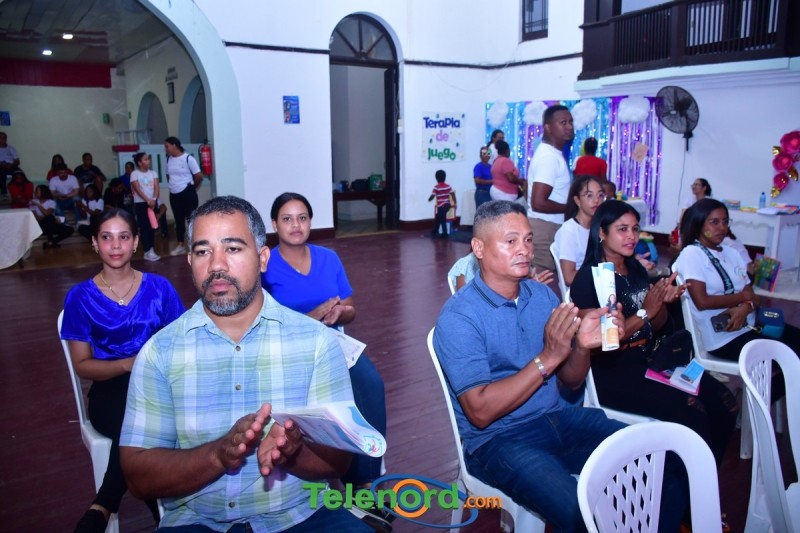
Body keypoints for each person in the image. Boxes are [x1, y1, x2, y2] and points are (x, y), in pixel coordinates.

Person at [120, 196, 371, 532]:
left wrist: (292, 454)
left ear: (263, 258)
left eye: (233, 248)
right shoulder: (160, 352)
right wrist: (216, 455)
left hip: (301, 514)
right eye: (202, 251)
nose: (217, 265)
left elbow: (338, 461)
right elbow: (138, 476)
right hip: (198, 520)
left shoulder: (316, 343)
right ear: (190, 260)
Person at [433, 200, 687, 532]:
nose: (524, 250)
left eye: (528, 239)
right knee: (579, 514)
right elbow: (480, 412)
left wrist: (581, 346)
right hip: (498, 441)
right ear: (479, 248)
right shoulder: (459, 317)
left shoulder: (541, 297)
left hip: (557, 419)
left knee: (663, 464)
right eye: (510, 241)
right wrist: (547, 358)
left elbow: (570, 381)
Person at [571, 200, 738, 466]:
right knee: (696, 417)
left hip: (654, 359)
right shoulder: (592, 279)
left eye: (635, 229)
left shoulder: (635, 269)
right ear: (601, 232)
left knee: (725, 403)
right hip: (616, 372)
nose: (632, 236)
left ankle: (702, 481)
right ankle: (682, 486)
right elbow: (605, 342)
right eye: (622, 229)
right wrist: (645, 312)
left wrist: (661, 304)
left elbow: (656, 326)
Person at [262, 192, 391, 530]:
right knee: (325, 405)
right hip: (288, 351)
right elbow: (266, 323)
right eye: (287, 219)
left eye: (302, 218)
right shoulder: (265, 265)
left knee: (370, 386)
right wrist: (313, 315)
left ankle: (366, 482)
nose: (296, 225)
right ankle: (337, 475)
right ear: (274, 224)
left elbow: (350, 308)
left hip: (332, 344)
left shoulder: (328, 258)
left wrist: (338, 312)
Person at [61, 208, 184, 533]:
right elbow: (83, 365)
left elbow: (181, 344)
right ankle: (162, 516)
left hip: (157, 387)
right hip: (109, 391)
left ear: (136, 242)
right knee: (137, 425)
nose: (115, 245)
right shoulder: (80, 297)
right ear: (94, 243)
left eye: (124, 237)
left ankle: (102, 506)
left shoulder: (159, 288)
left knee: (146, 421)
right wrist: (129, 363)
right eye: (107, 237)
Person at [674, 198, 800, 362]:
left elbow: (753, 296)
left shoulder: (732, 253)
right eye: (714, 222)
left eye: (725, 222)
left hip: (750, 324)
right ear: (699, 224)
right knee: (789, 356)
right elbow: (702, 301)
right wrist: (743, 298)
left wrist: (745, 307)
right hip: (723, 339)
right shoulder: (692, 253)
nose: (722, 228)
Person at [527, 105, 575, 272]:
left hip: (549, 226)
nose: (569, 127)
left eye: (571, 122)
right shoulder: (548, 157)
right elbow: (538, 203)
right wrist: (571, 208)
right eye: (563, 122)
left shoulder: (553, 154)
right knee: (541, 281)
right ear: (548, 128)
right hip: (545, 229)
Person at [553, 175, 605, 287]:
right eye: (589, 195)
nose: (596, 200)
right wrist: (603, 272)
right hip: (580, 288)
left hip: (597, 283)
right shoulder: (569, 230)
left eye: (600, 195)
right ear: (577, 200)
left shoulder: (598, 227)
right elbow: (569, 277)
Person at [164, 136, 202, 256]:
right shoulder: (168, 159)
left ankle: (193, 245)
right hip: (174, 194)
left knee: (191, 219)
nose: (166, 149)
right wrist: (174, 184)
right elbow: (168, 175)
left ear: (174, 145)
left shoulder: (188, 159)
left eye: (167, 146)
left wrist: (191, 188)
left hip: (187, 192)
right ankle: (180, 245)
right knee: (178, 219)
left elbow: (198, 176)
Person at [448, 251, 555, 292]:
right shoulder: (467, 265)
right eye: (510, 241)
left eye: (528, 240)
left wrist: (529, 290)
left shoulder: (518, 263)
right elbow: (465, 305)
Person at [130, 152, 162, 262]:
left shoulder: (153, 173)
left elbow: (156, 187)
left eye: (148, 159)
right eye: (145, 159)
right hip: (141, 203)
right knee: (144, 227)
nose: (148, 161)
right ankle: (147, 250)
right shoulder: (135, 174)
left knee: (152, 226)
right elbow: (137, 189)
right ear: (139, 163)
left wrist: (154, 199)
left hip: (152, 203)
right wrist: (147, 200)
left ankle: (151, 248)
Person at [428, 169, 454, 238]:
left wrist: (429, 199)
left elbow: (433, 195)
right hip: (447, 205)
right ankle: (436, 230)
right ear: (445, 177)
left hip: (441, 206)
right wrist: (454, 203)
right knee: (438, 217)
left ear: (436, 178)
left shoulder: (436, 187)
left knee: (442, 219)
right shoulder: (448, 186)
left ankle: (444, 233)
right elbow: (452, 194)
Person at [0, 131, 21, 196]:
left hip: (11, 166)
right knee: (1, 174)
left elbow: (17, 161)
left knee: (19, 173)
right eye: (1, 137)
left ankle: (19, 193)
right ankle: (4, 194)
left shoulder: (11, 148)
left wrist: (11, 165)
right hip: (1, 166)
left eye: (4, 137)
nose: (3, 139)